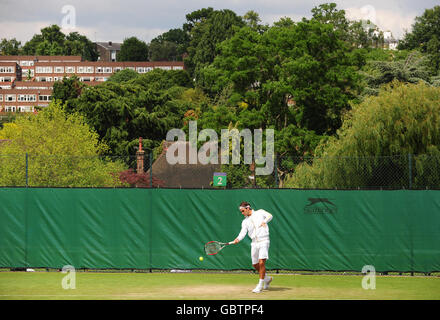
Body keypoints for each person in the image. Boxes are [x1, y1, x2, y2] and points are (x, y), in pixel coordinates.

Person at [232, 201, 273, 293]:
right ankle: (267, 279)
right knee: (255, 264)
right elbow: (243, 232)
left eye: (243, 211)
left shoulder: (260, 212)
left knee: (261, 262)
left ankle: (259, 285)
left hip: (264, 240)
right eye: (241, 211)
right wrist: (237, 239)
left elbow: (270, 216)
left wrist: (264, 221)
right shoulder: (245, 221)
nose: (242, 213)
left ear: (247, 208)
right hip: (254, 243)